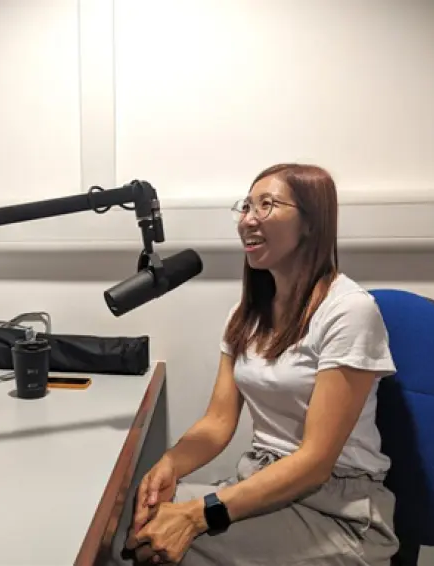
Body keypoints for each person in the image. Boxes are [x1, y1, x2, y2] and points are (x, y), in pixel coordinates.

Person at [114, 163, 400, 565]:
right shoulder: (244, 316)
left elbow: (315, 462)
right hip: (262, 483)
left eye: (267, 205)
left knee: (155, 548)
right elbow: (217, 422)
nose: (248, 219)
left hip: (338, 508)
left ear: (311, 224)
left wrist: (198, 515)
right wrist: (169, 465)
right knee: (127, 524)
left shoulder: (349, 311)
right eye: (246, 206)